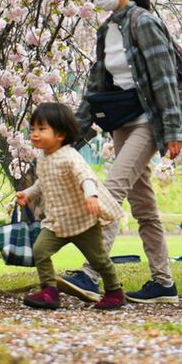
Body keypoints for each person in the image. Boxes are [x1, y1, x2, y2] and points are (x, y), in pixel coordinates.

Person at [63, 0, 182, 304]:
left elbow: (164, 77)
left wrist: (173, 130)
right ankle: (163, 284)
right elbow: (95, 87)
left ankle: (90, 273)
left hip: (148, 121)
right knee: (143, 206)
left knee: (110, 192)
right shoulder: (106, 30)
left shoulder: (143, 22)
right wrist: (71, 137)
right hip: (122, 122)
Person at [15, 102, 125, 310]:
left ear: (60, 134)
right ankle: (49, 292)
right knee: (40, 250)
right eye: (33, 129)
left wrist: (91, 195)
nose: (35, 134)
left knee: (99, 260)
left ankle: (114, 292)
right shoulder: (43, 158)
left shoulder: (70, 157)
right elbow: (42, 183)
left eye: (42, 129)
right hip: (57, 223)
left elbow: (86, 177)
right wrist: (28, 194)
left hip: (82, 222)